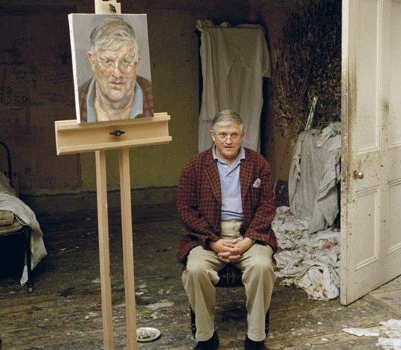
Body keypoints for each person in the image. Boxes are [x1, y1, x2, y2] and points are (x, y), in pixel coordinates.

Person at [176, 109, 277, 350]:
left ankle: (255, 338)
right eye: (222, 134)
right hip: (208, 235)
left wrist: (248, 241)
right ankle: (206, 336)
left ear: (243, 135)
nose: (228, 140)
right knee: (196, 269)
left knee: (262, 266)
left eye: (234, 134)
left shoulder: (258, 164)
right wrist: (212, 241)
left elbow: (267, 206)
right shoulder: (195, 166)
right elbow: (186, 209)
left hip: (248, 234)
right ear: (212, 135)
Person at [79, 16, 153, 122]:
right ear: (92, 61)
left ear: (136, 64)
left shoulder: (152, 95)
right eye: (108, 61)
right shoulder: (77, 101)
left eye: (125, 61)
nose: (117, 74)